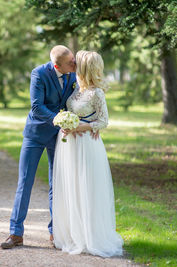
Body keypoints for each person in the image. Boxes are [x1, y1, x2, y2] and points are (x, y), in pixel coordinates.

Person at [0, 45, 77, 249]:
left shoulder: (72, 76)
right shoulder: (39, 73)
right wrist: (59, 119)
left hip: (58, 137)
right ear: (56, 65)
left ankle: (55, 233)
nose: (74, 64)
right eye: (71, 62)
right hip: (35, 134)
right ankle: (16, 233)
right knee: (25, 182)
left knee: (56, 184)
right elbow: (36, 106)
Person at [52, 51, 123, 257]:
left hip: (86, 145)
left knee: (87, 188)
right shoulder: (76, 89)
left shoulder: (96, 93)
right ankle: (74, 234)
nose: (73, 64)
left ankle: (91, 236)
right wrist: (65, 122)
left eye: (77, 63)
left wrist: (80, 127)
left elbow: (103, 121)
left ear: (85, 68)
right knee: (72, 187)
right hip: (69, 145)